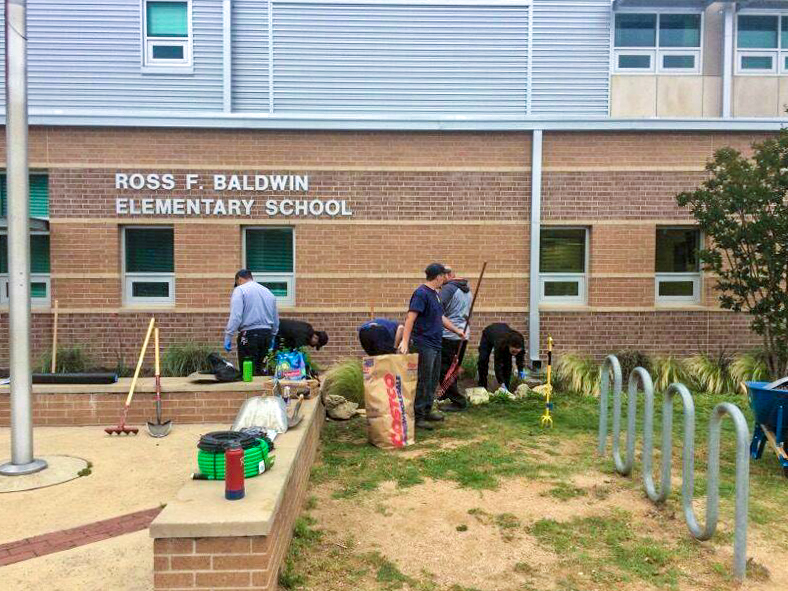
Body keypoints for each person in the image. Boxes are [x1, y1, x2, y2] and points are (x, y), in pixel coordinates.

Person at [398, 263, 466, 430]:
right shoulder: (421, 293)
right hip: (424, 344)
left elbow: (440, 318)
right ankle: (419, 415)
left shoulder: (435, 294)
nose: (446, 278)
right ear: (438, 277)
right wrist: (405, 342)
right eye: (444, 275)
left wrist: (457, 331)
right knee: (424, 379)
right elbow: (410, 318)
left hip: (436, 343)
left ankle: (427, 410)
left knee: (433, 378)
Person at [224, 269, 279, 375]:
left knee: (248, 371)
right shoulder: (268, 292)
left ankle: (248, 391)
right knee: (262, 370)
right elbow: (275, 319)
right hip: (266, 335)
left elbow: (236, 316)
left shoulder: (240, 290)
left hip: (248, 335)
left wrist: (228, 335)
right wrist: (273, 336)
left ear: (239, 279)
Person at [438, 267, 472, 411]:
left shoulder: (448, 289)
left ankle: (458, 401)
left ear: (449, 275)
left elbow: (437, 310)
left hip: (449, 334)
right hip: (463, 334)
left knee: (444, 369)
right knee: (453, 367)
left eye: (441, 276)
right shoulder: (466, 289)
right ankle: (446, 392)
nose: (439, 279)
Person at [477, 323, 526, 391]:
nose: (514, 355)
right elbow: (497, 365)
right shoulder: (500, 343)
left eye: (517, 352)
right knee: (483, 360)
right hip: (489, 334)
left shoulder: (520, 341)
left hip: (503, 331)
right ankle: (482, 386)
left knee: (507, 364)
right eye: (513, 352)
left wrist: (521, 370)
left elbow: (520, 357)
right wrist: (501, 382)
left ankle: (507, 388)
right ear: (509, 345)